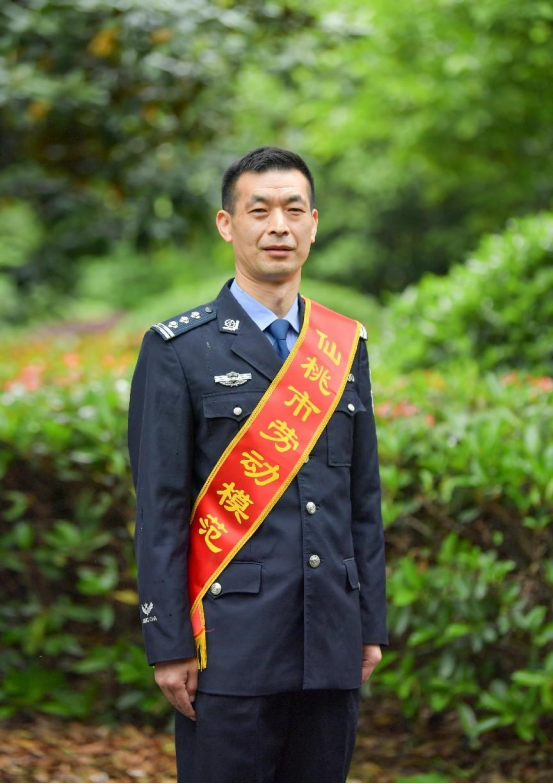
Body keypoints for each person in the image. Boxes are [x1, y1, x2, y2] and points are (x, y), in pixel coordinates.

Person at [127, 146, 388, 783]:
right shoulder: (177, 349)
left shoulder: (342, 344)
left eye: (294, 211)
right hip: (228, 644)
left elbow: (362, 498)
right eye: (260, 210)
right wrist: (168, 643)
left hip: (330, 635)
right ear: (227, 224)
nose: (279, 226)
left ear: (314, 224)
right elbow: (161, 509)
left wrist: (369, 625)